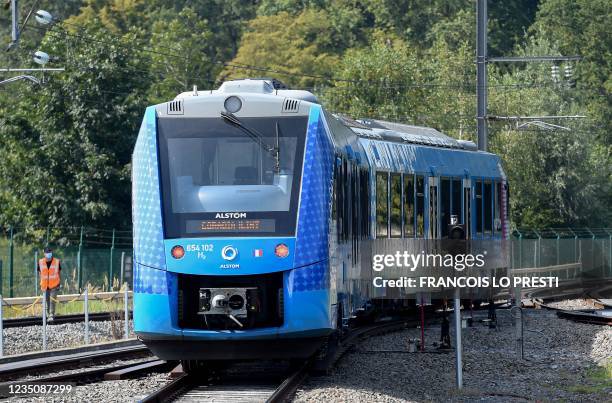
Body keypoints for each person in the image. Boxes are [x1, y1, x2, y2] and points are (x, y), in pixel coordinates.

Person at [37, 247, 61, 320]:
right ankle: (47, 315)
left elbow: (59, 272)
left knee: (52, 300)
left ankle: (51, 315)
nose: (48, 254)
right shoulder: (40, 262)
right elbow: (39, 273)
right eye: (47, 252)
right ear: (44, 253)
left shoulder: (57, 261)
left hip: (54, 285)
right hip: (45, 285)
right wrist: (41, 282)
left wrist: (59, 282)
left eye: (50, 252)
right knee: (46, 300)